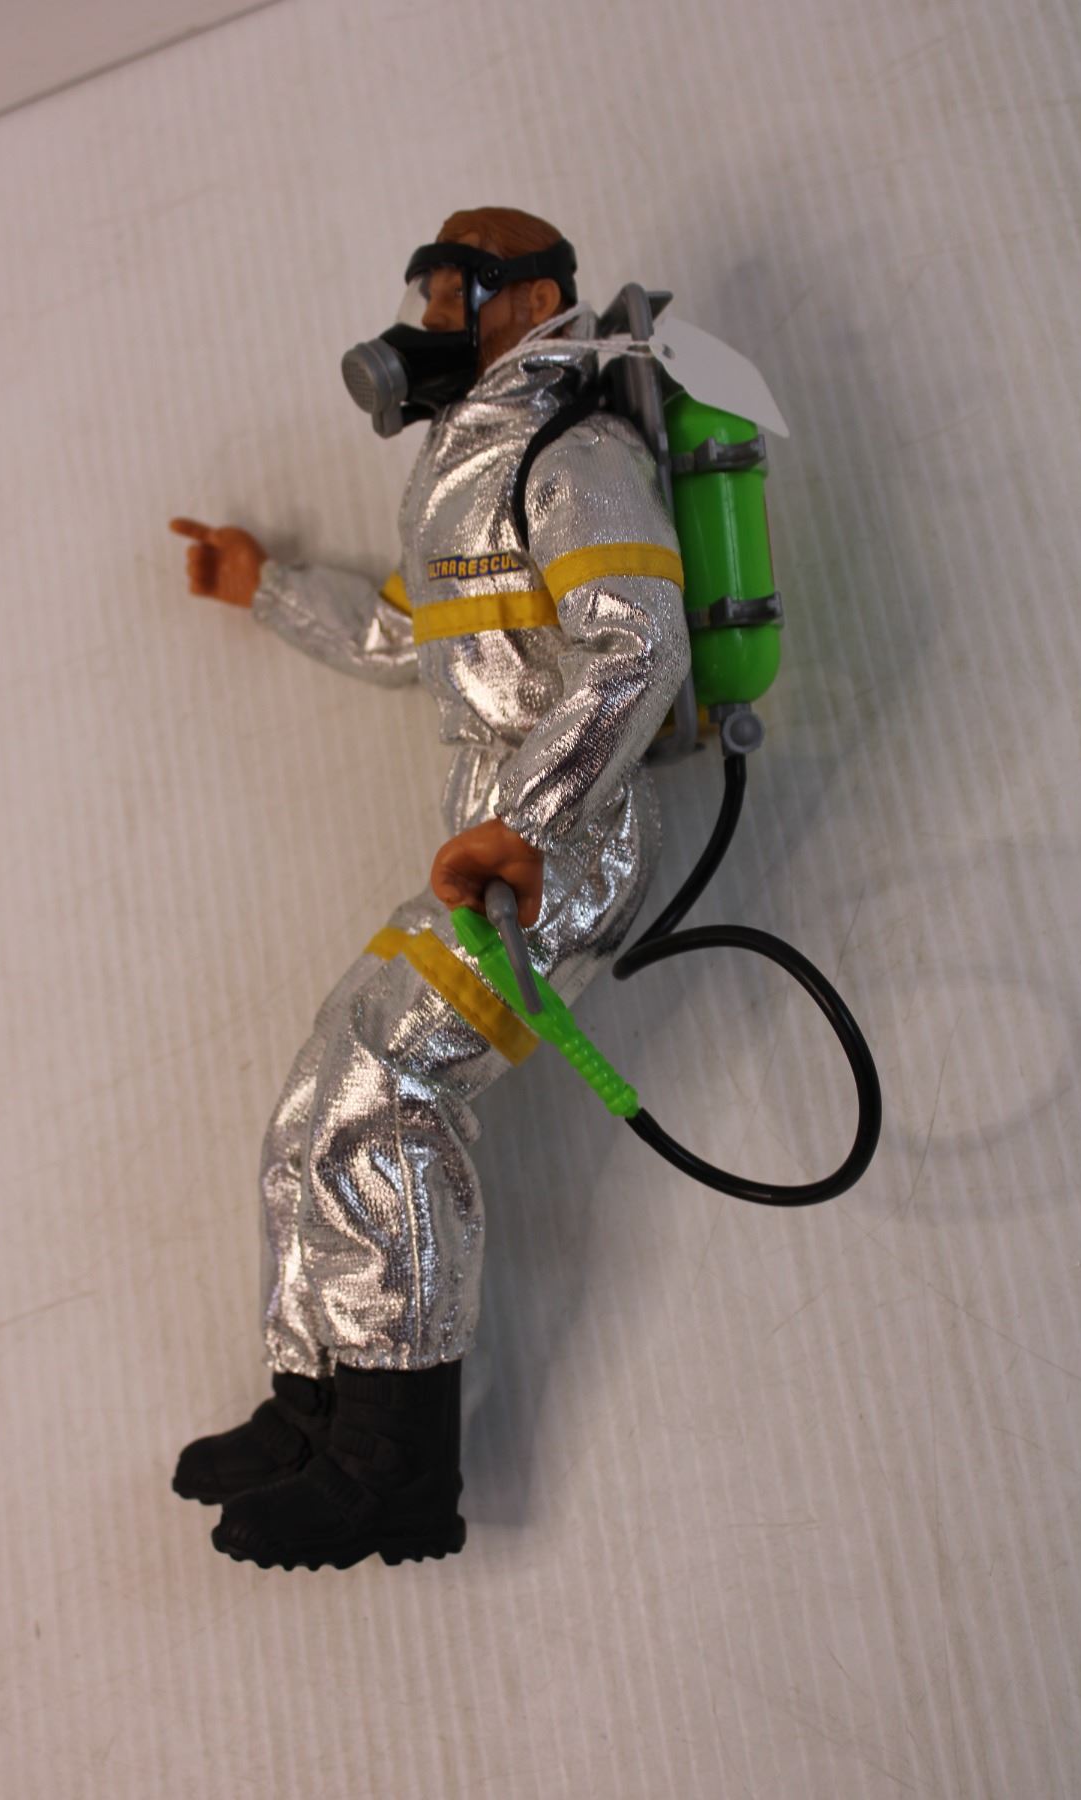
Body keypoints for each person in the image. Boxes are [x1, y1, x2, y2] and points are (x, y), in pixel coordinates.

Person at [169, 206, 690, 1571]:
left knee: (390, 1097)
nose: (426, 323)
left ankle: (395, 1471)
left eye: (453, 296)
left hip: (563, 859)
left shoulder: (574, 453)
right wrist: (268, 588)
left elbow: (640, 647)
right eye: (426, 296)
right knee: (320, 1098)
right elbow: (417, 634)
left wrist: (534, 821)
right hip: (491, 860)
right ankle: (313, 1409)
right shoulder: (469, 470)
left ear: (527, 304)